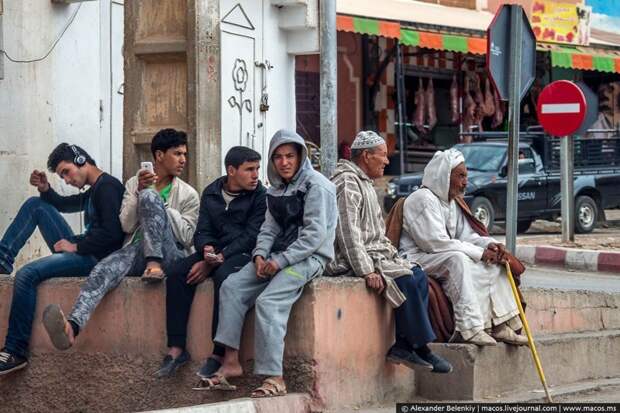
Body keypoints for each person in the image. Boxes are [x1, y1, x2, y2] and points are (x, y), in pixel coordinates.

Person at [196, 130, 337, 397]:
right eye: (278, 157)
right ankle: (231, 363)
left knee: (269, 302)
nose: (284, 162)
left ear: (300, 157)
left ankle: (275, 377)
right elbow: (268, 229)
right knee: (231, 286)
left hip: (308, 259)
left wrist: (280, 261)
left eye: (290, 156)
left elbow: (314, 236)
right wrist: (259, 256)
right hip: (275, 257)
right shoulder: (276, 189)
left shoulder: (316, 186)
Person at [41, 129, 200, 351]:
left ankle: (154, 263)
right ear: (159, 155)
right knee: (102, 269)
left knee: (150, 196)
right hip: (137, 250)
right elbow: (125, 225)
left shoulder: (188, 194)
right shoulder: (134, 182)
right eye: (177, 154)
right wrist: (140, 192)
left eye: (184, 154)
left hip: (170, 256)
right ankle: (72, 328)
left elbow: (187, 236)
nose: (183, 159)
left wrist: (158, 205)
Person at [326, 131, 452, 374]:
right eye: (382, 155)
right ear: (366, 156)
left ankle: (405, 345)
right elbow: (347, 232)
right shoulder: (346, 182)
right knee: (404, 278)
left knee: (417, 274)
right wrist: (366, 270)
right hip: (350, 258)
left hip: (375, 252)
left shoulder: (364, 183)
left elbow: (376, 232)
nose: (386, 161)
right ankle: (422, 348)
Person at [0, 143, 124, 375]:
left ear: (80, 160)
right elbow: (63, 204)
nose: (66, 180)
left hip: (94, 259)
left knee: (27, 274)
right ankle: (2, 260)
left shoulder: (108, 187)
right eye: (61, 176)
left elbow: (113, 235)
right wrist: (46, 189)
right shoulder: (95, 188)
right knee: (36, 205)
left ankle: (15, 351)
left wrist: (76, 246)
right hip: (84, 248)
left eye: (66, 172)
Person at [155, 146, 267, 378]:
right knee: (176, 274)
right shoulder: (212, 192)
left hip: (242, 253)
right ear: (231, 171)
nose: (256, 175)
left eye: (257, 168)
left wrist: (218, 259)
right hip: (215, 251)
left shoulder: (260, 196)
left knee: (223, 277)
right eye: (249, 169)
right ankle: (176, 349)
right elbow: (202, 230)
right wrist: (205, 250)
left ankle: (218, 353)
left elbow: (252, 236)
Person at [399, 148, 527, 346]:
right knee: (457, 260)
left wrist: (489, 245)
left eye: (466, 176)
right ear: (444, 176)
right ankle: (469, 328)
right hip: (418, 257)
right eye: (461, 176)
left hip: (442, 253)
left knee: (494, 264)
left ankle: (500, 324)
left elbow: (466, 236)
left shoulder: (451, 202)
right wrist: (479, 253)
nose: (465, 182)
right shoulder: (422, 199)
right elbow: (435, 243)